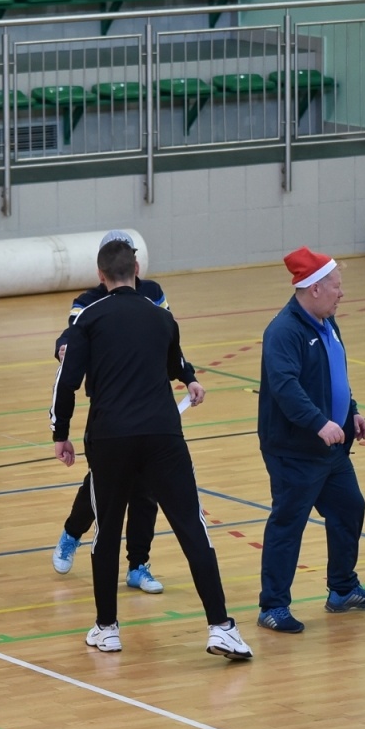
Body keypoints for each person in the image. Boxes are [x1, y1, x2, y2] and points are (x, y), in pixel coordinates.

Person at [50, 238, 251, 661]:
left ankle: (107, 629)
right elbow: (175, 363)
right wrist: (191, 378)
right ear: (136, 270)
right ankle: (221, 628)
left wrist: (60, 433)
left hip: (110, 438)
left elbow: (66, 381)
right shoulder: (161, 317)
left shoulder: (89, 318)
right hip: (163, 435)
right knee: (192, 528)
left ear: (101, 276)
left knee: (106, 532)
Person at [255, 247, 365, 634]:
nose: (341, 293)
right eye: (336, 286)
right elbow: (285, 387)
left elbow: (334, 375)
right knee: (288, 522)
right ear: (313, 289)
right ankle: (272, 606)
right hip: (295, 449)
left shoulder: (328, 324)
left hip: (330, 447)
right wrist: (319, 423)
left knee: (349, 508)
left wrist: (351, 411)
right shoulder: (284, 332)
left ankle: (342, 589)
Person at [51, 229, 166, 595]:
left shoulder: (153, 295)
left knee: (146, 489)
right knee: (103, 483)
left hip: (150, 407)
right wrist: (63, 350)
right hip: (110, 411)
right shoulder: (88, 302)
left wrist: (186, 374)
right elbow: (70, 336)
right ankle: (72, 532)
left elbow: (167, 336)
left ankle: (138, 564)